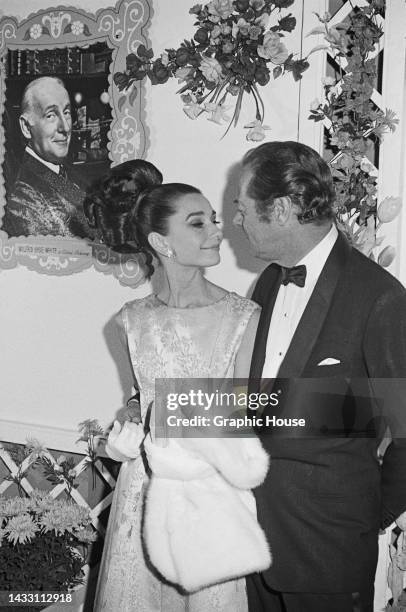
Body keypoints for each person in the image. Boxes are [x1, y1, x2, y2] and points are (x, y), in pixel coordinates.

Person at [85, 160, 269, 612]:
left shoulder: (244, 317)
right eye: (198, 222)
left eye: (214, 220)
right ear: (160, 242)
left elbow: (247, 413)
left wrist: (161, 414)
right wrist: (129, 421)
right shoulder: (131, 319)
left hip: (210, 497)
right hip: (141, 498)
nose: (216, 231)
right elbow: (142, 396)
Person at [232, 140, 406, 612]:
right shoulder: (268, 281)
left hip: (327, 551)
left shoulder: (379, 297)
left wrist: (369, 514)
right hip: (255, 542)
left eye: (243, 209)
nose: (236, 222)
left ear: (283, 209)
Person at [1, 76, 92, 238]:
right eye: (51, 115)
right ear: (26, 127)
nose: (64, 127)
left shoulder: (73, 175)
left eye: (66, 112)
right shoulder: (22, 202)